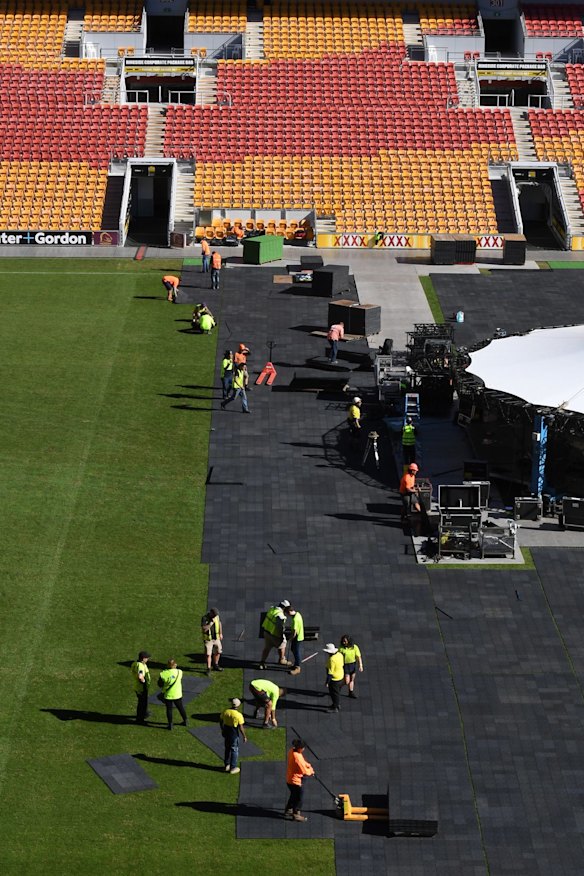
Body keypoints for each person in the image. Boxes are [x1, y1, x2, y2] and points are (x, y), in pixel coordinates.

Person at [285, 738, 314, 822]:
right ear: (299, 748)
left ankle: (289, 810)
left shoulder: (292, 751)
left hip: (290, 779)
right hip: (296, 782)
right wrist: (311, 771)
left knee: (293, 795)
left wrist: (308, 765)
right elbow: (305, 772)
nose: (304, 749)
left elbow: (303, 763)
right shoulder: (297, 758)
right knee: (299, 798)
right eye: (303, 747)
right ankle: (296, 815)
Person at [259, 600, 291, 669]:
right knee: (283, 644)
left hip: (266, 632)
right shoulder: (280, 616)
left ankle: (262, 662)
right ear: (284, 608)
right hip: (274, 635)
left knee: (267, 648)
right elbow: (279, 628)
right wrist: (281, 636)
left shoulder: (272, 609)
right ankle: (282, 660)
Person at [158, 659, 188, 730]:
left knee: (169, 709)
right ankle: (185, 721)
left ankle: (170, 724)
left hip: (168, 695)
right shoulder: (179, 672)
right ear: (175, 664)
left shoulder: (163, 674)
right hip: (177, 694)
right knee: (180, 708)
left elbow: (160, 684)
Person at [220, 697, 247, 774]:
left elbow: (221, 721)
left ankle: (226, 765)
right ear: (238, 705)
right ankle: (233, 767)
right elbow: (241, 727)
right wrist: (244, 736)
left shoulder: (226, 711)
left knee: (227, 749)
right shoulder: (238, 715)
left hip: (226, 732)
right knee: (234, 750)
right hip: (233, 734)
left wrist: (222, 729)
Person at [131, 650, 151, 724]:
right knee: (142, 704)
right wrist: (144, 681)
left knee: (142, 702)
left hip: (137, 686)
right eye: (147, 658)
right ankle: (140, 719)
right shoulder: (140, 666)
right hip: (141, 688)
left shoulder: (135, 663)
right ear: (143, 658)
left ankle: (144, 714)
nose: (148, 659)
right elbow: (140, 676)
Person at [323, 642, 344, 713]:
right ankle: (336, 704)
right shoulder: (340, 654)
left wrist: (327, 682)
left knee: (334, 693)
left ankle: (335, 707)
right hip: (341, 675)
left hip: (335, 679)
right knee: (337, 692)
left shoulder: (332, 659)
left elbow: (330, 672)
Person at [201, 607, 223, 675]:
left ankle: (216, 665)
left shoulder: (216, 617)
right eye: (214, 615)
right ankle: (208, 668)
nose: (215, 616)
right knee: (208, 654)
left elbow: (219, 624)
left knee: (218, 651)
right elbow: (204, 629)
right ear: (211, 613)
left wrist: (220, 633)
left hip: (216, 638)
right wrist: (210, 623)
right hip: (208, 639)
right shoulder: (204, 618)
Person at [287, 607, 305, 676]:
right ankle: (296, 664)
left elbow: (294, 632)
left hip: (297, 638)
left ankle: (297, 667)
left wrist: (290, 638)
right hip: (299, 636)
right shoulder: (298, 614)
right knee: (293, 649)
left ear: (289, 612)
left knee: (296, 651)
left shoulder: (295, 619)